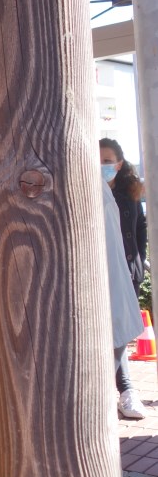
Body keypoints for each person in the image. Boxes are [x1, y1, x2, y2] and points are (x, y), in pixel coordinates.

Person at [100, 138, 149, 419]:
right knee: (113, 332)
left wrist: (140, 261)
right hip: (104, 273)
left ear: (118, 164)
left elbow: (139, 229)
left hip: (129, 272)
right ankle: (126, 389)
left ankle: (125, 391)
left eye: (107, 161)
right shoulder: (91, 193)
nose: (102, 166)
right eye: (98, 160)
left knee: (120, 333)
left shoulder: (129, 193)